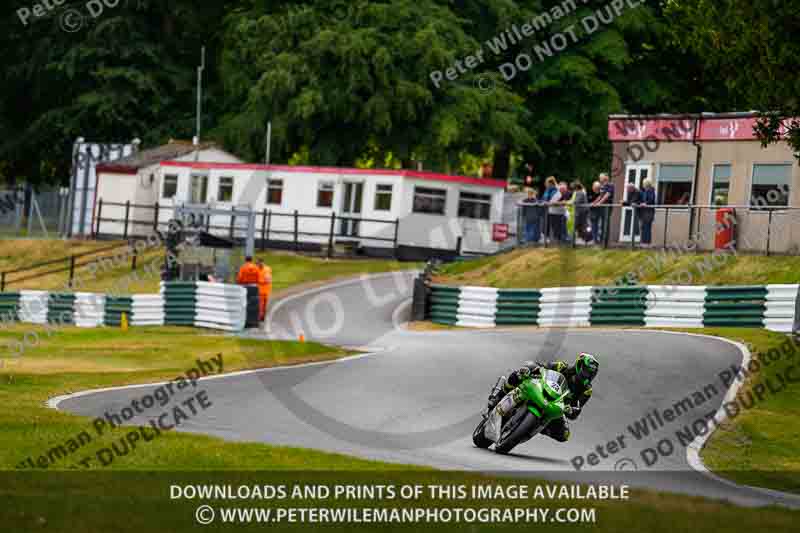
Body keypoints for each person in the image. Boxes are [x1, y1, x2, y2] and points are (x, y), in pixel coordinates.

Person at [486, 353, 600, 442]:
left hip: (556, 406)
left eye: (591, 374)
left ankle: (537, 426)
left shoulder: (587, 390)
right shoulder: (561, 367)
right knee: (525, 369)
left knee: (565, 435)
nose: (588, 376)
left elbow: (577, 409)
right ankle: (498, 396)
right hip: (541, 389)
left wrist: (572, 410)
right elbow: (542, 367)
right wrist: (533, 370)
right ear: (579, 366)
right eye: (586, 372)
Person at [590, 173, 615, 244]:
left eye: (601, 177)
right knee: (602, 224)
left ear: (605, 178)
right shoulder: (602, 186)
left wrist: (599, 203)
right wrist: (594, 202)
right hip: (602, 207)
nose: (600, 179)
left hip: (607, 207)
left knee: (606, 224)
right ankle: (601, 240)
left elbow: (607, 195)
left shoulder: (610, 185)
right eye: (600, 178)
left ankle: (605, 241)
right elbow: (600, 196)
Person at [543, 177, 564, 243]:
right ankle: (550, 240)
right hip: (549, 211)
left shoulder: (557, 190)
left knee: (556, 227)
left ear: (551, 183)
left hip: (556, 212)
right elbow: (544, 199)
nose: (546, 184)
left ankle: (557, 241)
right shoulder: (547, 190)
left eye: (547, 183)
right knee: (547, 226)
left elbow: (553, 201)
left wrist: (547, 203)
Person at [639, 178, 657, 247]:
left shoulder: (650, 190)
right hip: (645, 211)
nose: (642, 185)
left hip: (649, 212)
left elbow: (651, 200)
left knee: (647, 227)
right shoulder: (645, 191)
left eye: (643, 183)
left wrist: (645, 203)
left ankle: (647, 243)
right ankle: (644, 242)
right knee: (644, 226)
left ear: (646, 184)